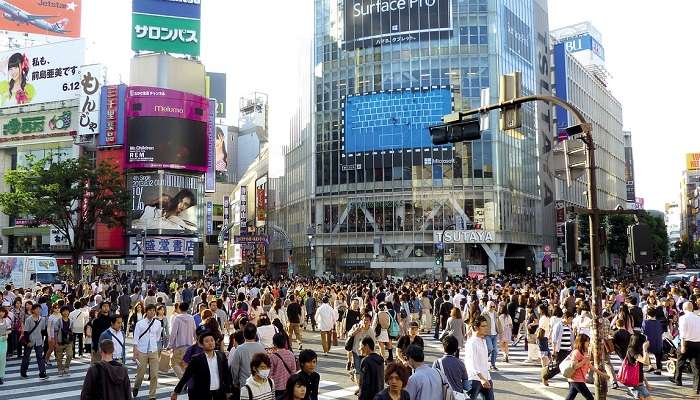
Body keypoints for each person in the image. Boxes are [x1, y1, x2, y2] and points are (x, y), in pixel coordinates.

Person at [171, 330, 232, 400]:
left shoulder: (221, 356)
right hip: (202, 394)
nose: (210, 343)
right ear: (202, 344)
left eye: (212, 340)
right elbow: (186, 376)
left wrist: (228, 391)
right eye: (207, 341)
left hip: (219, 394)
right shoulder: (196, 359)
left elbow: (226, 374)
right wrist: (176, 392)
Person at [132, 304, 163, 400]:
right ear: (146, 311)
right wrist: (135, 351)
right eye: (150, 310)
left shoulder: (158, 323)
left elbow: (158, 337)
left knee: (154, 374)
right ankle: (136, 386)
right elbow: (135, 339)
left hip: (153, 350)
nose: (152, 312)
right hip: (142, 351)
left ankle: (152, 396)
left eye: (153, 310)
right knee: (140, 374)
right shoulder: (140, 324)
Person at [565, 334, 608, 400]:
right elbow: (574, 366)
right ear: (582, 342)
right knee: (590, 398)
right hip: (576, 379)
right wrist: (584, 361)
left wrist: (602, 374)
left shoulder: (585, 352)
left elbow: (590, 366)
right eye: (587, 341)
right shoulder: (576, 352)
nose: (589, 343)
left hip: (578, 380)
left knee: (570, 397)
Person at [670, 301, 700, 392]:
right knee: (696, 366)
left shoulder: (683, 318)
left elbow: (682, 333)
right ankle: (697, 387)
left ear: (684, 309)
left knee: (680, 362)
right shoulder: (698, 318)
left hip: (686, 343)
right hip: (697, 343)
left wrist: (682, 345)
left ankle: (678, 380)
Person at [231, 322, 268, 390]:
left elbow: (234, 368)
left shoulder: (239, 349)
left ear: (244, 334)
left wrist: (235, 381)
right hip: (259, 382)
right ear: (255, 334)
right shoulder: (261, 347)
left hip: (245, 384)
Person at [465, 316, 493, 400]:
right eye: (483, 326)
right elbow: (471, 363)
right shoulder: (472, 343)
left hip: (486, 377)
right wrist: (481, 378)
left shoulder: (483, 340)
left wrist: (487, 377)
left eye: (486, 326)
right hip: (475, 379)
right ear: (476, 327)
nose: (486, 328)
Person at [169, 302, 197, 379]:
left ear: (180, 308)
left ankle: (183, 380)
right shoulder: (191, 318)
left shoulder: (177, 318)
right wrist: (196, 341)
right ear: (187, 309)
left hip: (179, 346)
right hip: (189, 345)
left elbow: (173, 333)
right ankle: (186, 380)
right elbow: (194, 330)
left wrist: (170, 345)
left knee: (173, 363)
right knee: (185, 364)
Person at [623, 332, 653, 400]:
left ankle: (633, 394)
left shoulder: (638, 350)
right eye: (643, 341)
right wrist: (644, 348)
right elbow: (645, 361)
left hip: (638, 381)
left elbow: (646, 363)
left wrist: (646, 383)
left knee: (646, 398)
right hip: (634, 382)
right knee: (647, 398)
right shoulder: (632, 351)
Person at [21, 303, 47, 379]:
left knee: (40, 357)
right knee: (26, 357)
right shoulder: (29, 319)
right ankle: (23, 372)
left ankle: (42, 372)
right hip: (30, 340)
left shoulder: (42, 319)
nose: (38, 310)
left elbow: (42, 330)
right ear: (33, 310)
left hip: (38, 340)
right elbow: (26, 331)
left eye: (40, 309)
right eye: (37, 309)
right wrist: (28, 341)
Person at [349, 313, 376, 382]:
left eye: (367, 320)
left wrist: (373, 355)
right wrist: (356, 331)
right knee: (358, 370)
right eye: (364, 320)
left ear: (370, 322)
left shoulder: (371, 331)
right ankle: (359, 387)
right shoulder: (356, 327)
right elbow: (349, 334)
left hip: (366, 354)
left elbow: (373, 344)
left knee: (364, 371)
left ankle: (359, 381)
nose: (365, 322)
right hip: (356, 351)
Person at [270, 332, 297, 399]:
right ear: (285, 343)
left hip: (276, 386)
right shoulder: (290, 354)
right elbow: (294, 370)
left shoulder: (273, 356)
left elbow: (270, 373)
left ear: (274, 344)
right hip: (288, 385)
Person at [481, 300, 502, 371]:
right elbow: (480, 323)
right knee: (490, 348)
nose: (493, 308)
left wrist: (500, 331)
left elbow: (498, 322)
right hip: (487, 334)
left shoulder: (495, 313)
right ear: (487, 306)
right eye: (491, 306)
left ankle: (493, 365)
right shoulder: (484, 314)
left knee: (495, 350)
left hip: (495, 334)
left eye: (494, 306)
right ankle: (483, 362)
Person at [53, 305, 74, 376]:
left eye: (67, 311)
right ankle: (60, 369)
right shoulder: (58, 321)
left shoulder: (71, 321)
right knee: (59, 357)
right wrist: (55, 342)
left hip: (68, 341)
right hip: (60, 341)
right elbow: (55, 332)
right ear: (61, 312)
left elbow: (72, 331)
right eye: (64, 311)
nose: (65, 312)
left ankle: (66, 367)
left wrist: (72, 341)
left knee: (70, 355)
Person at [642, 307, 663, 375]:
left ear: (647, 314)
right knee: (658, 355)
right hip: (658, 340)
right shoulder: (659, 322)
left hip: (649, 340)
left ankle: (650, 365)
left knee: (646, 351)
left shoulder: (646, 322)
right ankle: (658, 369)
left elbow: (644, 332)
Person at [0, 306, 10, 384]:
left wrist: (6, 334)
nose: (1, 313)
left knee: (3, 359)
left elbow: (9, 330)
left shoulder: (6, 320)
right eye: (0, 311)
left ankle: (1, 376)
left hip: (3, 341)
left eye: (3, 312)